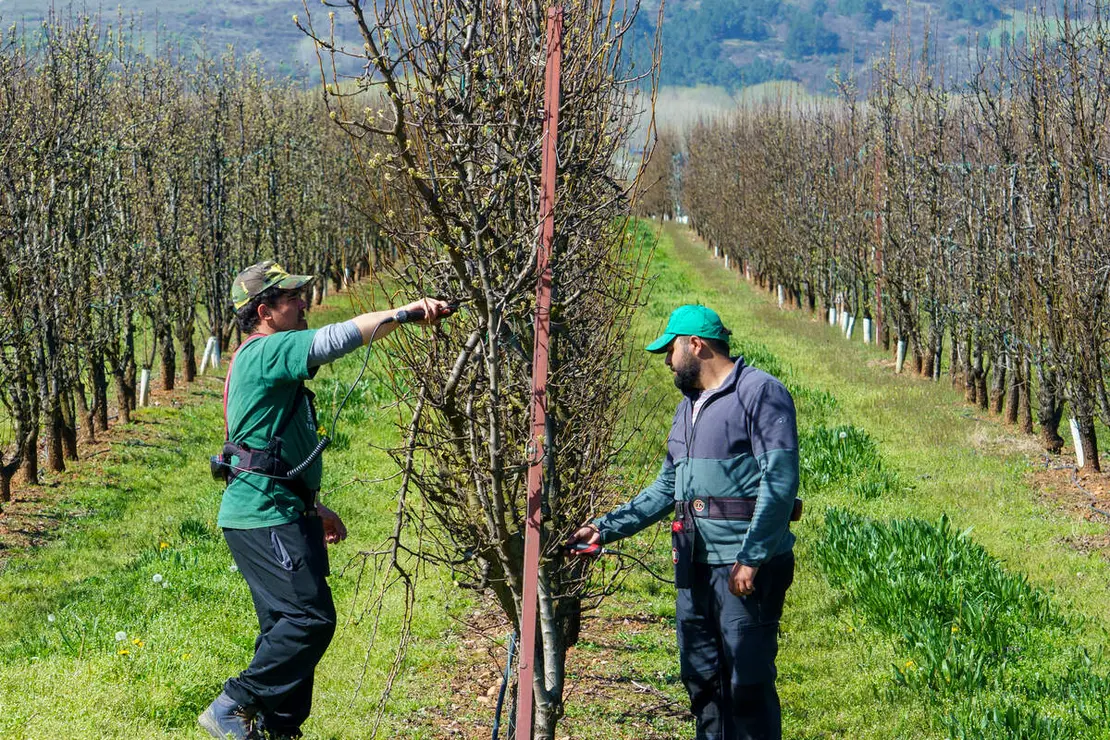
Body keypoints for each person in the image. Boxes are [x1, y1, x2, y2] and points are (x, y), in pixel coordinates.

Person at [199, 260, 449, 740]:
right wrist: (409, 312)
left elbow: (272, 451)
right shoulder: (265, 351)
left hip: (281, 507)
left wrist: (312, 506)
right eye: (289, 297)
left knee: (284, 628)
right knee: (308, 620)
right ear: (263, 310)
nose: (301, 303)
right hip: (263, 514)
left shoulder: (266, 357)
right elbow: (336, 339)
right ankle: (234, 703)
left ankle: (280, 729)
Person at [568, 304, 800, 740]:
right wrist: (605, 526)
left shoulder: (760, 394)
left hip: (743, 568)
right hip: (693, 566)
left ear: (696, 345)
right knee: (703, 683)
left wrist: (750, 558)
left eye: (670, 350)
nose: (666, 361)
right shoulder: (686, 409)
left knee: (746, 687)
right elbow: (664, 489)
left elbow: (780, 482)